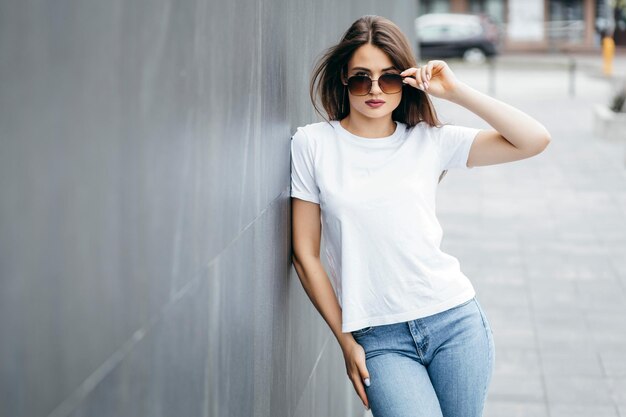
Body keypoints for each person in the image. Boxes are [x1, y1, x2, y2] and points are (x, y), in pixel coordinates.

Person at [290, 15, 550, 417]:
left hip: (455, 322)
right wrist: (346, 341)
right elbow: (305, 255)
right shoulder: (313, 144)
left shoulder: (429, 140)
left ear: (406, 80)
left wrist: (456, 91)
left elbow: (534, 139)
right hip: (379, 337)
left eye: (389, 78)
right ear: (343, 79)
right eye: (361, 78)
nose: (375, 89)